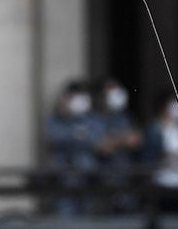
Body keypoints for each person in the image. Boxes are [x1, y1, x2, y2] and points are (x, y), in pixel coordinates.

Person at [46, 81, 104, 217]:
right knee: (66, 215)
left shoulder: (92, 119)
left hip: (88, 176)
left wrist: (78, 136)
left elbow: (99, 141)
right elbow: (53, 138)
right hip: (64, 178)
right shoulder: (56, 119)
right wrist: (77, 134)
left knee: (89, 215)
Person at [93, 78, 141, 212]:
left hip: (126, 173)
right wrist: (123, 139)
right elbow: (102, 147)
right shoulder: (95, 118)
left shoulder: (125, 117)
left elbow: (136, 140)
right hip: (105, 175)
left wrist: (115, 140)